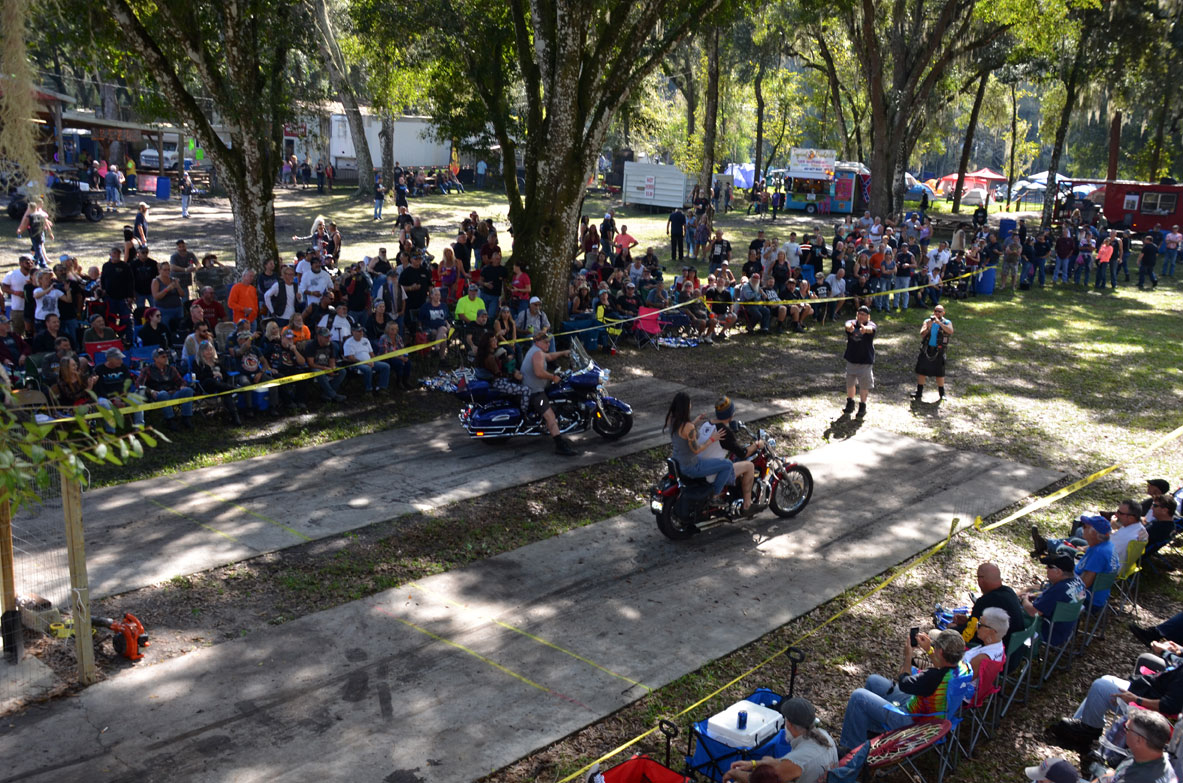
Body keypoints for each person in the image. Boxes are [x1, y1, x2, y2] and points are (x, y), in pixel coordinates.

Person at [838, 629, 969, 749]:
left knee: (858, 697)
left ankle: (850, 749)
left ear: (940, 652)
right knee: (874, 681)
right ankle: (871, 731)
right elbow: (943, 667)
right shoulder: (964, 668)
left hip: (914, 722)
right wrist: (928, 649)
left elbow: (904, 683)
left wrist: (908, 657)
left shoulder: (933, 677)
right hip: (932, 715)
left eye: (936, 647)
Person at [1050, 664, 1181, 757]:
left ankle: (1086, 731)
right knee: (1107, 679)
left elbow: (1169, 705)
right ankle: (1084, 725)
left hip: (1150, 710)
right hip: (1149, 690)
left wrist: (1136, 699)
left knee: (1100, 686)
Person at [722, 698, 838, 783]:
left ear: (789, 724)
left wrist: (735, 774)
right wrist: (754, 764)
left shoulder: (798, 760)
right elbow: (785, 764)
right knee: (767, 760)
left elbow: (761, 781)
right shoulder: (824, 735)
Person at [664, 391, 735, 500]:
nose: (691, 405)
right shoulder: (688, 427)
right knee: (728, 465)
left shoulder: (672, 420)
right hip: (691, 467)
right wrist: (712, 439)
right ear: (686, 407)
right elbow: (696, 450)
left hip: (677, 462)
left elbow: (682, 433)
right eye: (689, 403)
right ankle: (715, 495)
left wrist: (694, 422)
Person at [521, 332, 578, 456]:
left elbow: (550, 356)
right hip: (535, 392)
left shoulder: (537, 350)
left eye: (549, 342)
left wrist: (563, 353)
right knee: (550, 415)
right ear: (537, 342)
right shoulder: (537, 353)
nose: (548, 344)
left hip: (536, 387)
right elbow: (539, 372)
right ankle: (560, 445)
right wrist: (553, 377)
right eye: (545, 342)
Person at [1018, 554, 1086, 649]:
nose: (1046, 568)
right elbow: (1060, 598)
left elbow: (1033, 612)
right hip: (1064, 629)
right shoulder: (1079, 582)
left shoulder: (1059, 590)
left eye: (1049, 566)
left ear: (1058, 572)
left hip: (1048, 632)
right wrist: (1038, 595)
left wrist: (1024, 599)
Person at [138, 347, 195, 430]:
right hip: (157, 395)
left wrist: (182, 386)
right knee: (163, 394)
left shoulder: (172, 369)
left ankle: (186, 418)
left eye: (167, 356)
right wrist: (151, 391)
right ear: (155, 359)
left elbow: (182, 381)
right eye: (163, 357)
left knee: (188, 391)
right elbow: (139, 385)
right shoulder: (147, 370)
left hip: (172, 393)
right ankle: (170, 420)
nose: (166, 358)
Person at [912, 305, 953, 401]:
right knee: (921, 371)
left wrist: (940, 323)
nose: (937, 313)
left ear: (943, 313)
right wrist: (928, 327)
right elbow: (922, 334)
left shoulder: (947, 322)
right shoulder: (927, 321)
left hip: (939, 350)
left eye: (939, 311)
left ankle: (942, 394)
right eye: (936, 311)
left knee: (940, 373)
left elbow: (950, 331)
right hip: (927, 349)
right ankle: (919, 392)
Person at [842, 306, 876, 417]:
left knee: (864, 385)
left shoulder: (871, 324)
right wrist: (849, 328)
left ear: (868, 317)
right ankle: (850, 402)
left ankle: (862, 405)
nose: (861, 316)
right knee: (850, 383)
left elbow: (871, 329)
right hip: (852, 358)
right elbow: (847, 325)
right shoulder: (852, 322)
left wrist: (865, 330)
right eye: (859, 314)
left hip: (865, 361)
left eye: (863, 314)